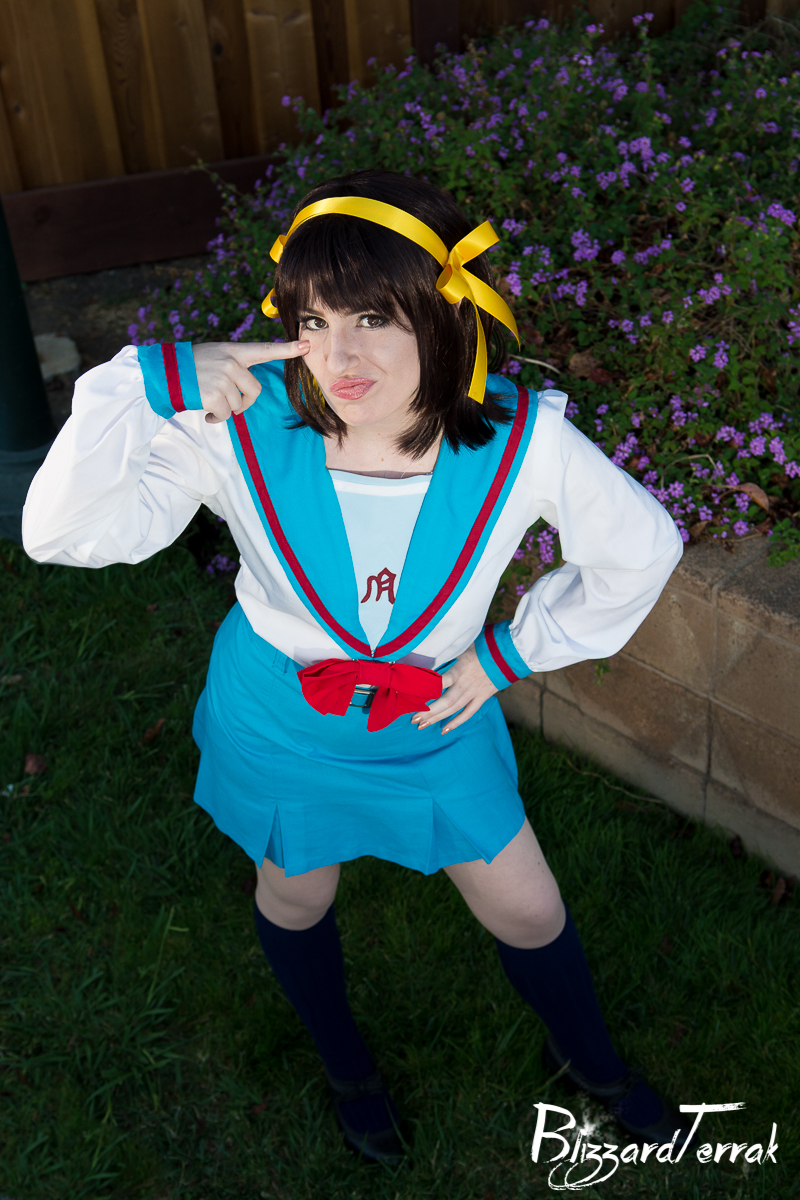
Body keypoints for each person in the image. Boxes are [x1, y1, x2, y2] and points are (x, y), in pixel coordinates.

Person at [23, 169, 693, 1165]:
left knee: (527, 905)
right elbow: (61, 533)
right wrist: (141, 383)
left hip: (432, 720)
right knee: (297, 895)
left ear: (442, 311)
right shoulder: (238, 423)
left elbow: (641, 548)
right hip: (281, 719)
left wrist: (508, 653)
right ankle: (347, 1068)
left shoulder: (522, 441)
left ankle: (591, 1064)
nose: (338, 356)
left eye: (373, 318)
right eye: (314, 321)